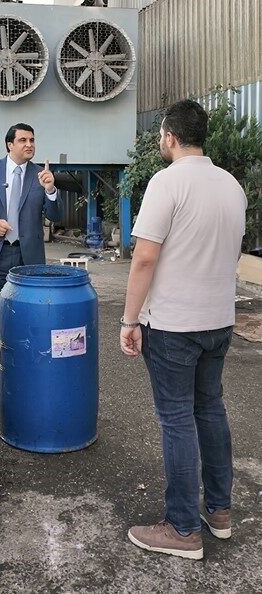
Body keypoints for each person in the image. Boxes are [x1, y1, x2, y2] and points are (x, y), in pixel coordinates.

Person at [120, 100, 247, 560]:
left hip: (174, 325)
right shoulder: (231, 186)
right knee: (210, 409)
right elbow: (232, 252)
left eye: (160, 136)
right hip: (219, 320)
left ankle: (182, 528)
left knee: (176, 419)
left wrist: (129, 320)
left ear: (170, 137)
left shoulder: (167, 182)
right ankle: (219, 512)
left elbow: (144, 258)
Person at [0, 123, 61, 387]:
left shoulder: (41, 176)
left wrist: (51, 191)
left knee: (28, 324)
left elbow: (56, 216)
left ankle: (25, 388)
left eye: (32, 140)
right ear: (10, 144)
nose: (29, 144)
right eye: (23, 140)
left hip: (28, 262)